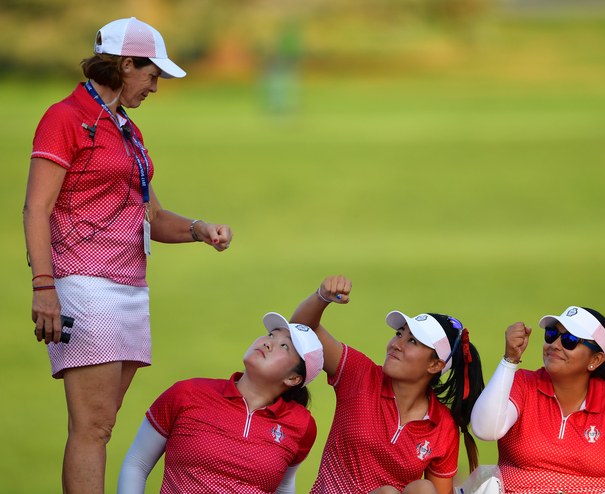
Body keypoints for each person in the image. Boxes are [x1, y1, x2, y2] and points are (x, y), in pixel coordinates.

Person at [22, 17, 233, 492]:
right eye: (152, 74)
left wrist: (200, 230)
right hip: (84, 285)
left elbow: (152, 217)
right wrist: (43, 287)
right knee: (92, 427)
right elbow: (36, 209)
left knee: (102, 426)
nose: (155, 87)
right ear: (124, 65)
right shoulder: (65, 118)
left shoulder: (126, 130)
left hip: (129, 288)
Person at [289, 275, 485, 494]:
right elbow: (300, 332)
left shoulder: (442, 426)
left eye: (412, 341)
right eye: (399, 334)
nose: (396, 345)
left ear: (435, 365)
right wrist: (321, 297)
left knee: (423, 489)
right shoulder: (359, 374)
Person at [117, 312, 322, 493]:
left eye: (284, 346)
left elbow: (284, 487)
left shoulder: (301, 424)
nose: (268, 342)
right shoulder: (187, 394)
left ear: (293, 379)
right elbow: (138, 464)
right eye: (271, 335)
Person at [470, 306, 605, 493]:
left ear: (595, 359)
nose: (555, 344)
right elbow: (485, 429)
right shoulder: (524, 383)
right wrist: (509, 360)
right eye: (551, 334)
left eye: (570, 340)